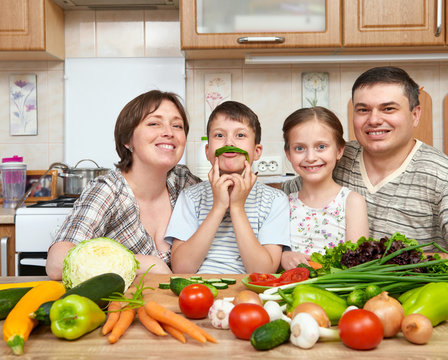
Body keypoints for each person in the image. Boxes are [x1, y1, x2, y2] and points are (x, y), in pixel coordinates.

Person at [282, 66, 448, 282]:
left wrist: (401, 264)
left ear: (415, 115)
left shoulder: (444, 176)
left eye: (388, 108)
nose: (374, 120)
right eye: (363, 110)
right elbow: (280, 202)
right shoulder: (333, 159)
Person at [46, 90, 200, 279]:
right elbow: (57, 263)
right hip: (118, 306)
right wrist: (143, 264)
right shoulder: (108, 190)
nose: (169, 133)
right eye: (154, 123)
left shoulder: (183, 181)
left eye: (177, 126)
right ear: (127, 140)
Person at [166, 101, 290, 274]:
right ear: (208, 151)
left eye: (240, 135)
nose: (229, 142)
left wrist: (237, 208)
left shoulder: (275, 200)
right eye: (219, 135)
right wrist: (218, 207)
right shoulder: (191, 196)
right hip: (197, 292)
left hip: (249, 293)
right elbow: (182, 269)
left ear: (257, 151)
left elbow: (264, 272)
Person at [280, 107, 369, 270]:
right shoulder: (282, 203)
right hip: (290, 288)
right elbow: (270, 252)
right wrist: (283, 257)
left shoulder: (352, 202)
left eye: (321, 146)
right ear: (288, 154)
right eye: (299, 148)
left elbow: (357, 265)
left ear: (339, 150)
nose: (311, 157)